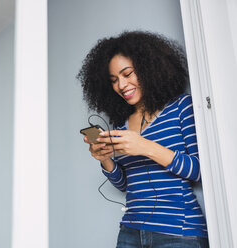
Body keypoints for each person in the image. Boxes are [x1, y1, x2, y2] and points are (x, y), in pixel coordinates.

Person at [77, 31, 209, 248]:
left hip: (178, 231)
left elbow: (198, 170)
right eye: (114, 80)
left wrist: (145, 146)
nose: (121, 85)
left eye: (127, 74)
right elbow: (125, 184)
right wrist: (106, 159)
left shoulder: (180, 107)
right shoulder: (122, 125)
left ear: (149, 68)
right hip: (130, 231)